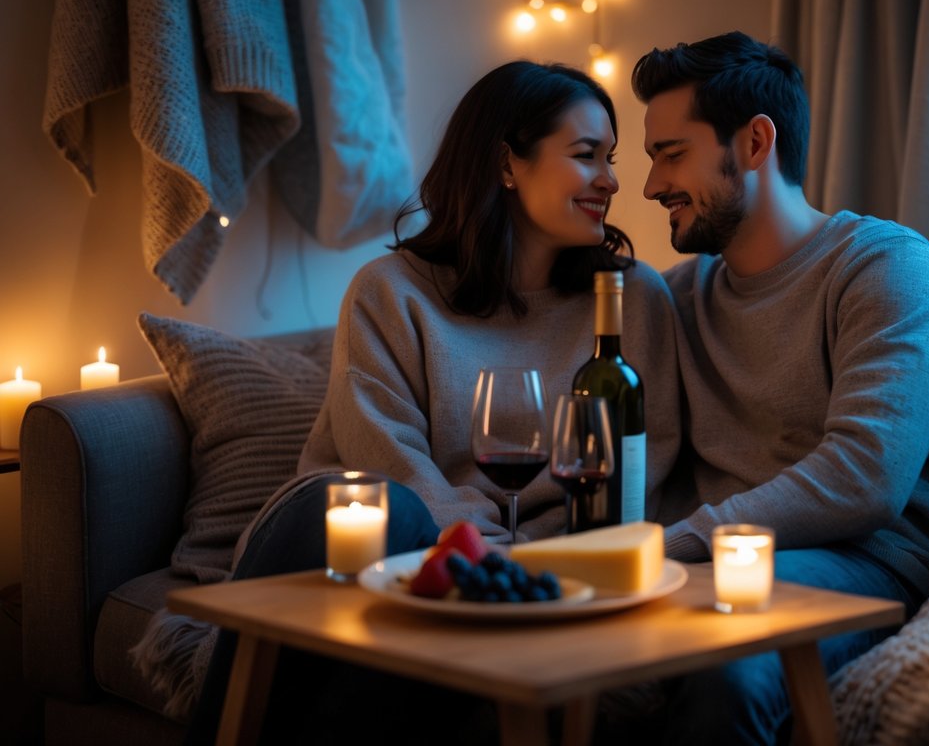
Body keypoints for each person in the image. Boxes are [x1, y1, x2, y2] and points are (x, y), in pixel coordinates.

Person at [186, 60, 682, 744]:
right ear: (506, 165)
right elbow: (387, 466)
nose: (611, 180)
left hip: (533, 575)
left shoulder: (629, 299)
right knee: (380, 512)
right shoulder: (390, 292)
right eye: (585, 155)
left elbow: (640, 470)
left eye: (611, 159)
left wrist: (528, 569)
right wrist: (481, 555)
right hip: (372, 547)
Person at [633, 31, 929, 745]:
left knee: (726, 666)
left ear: (756, 142)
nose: (651, 186)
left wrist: (678, 544)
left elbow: (865, 479)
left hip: (864, 561)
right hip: (712, 567)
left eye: (671, 154)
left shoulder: (886, 268)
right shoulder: (676, 297)